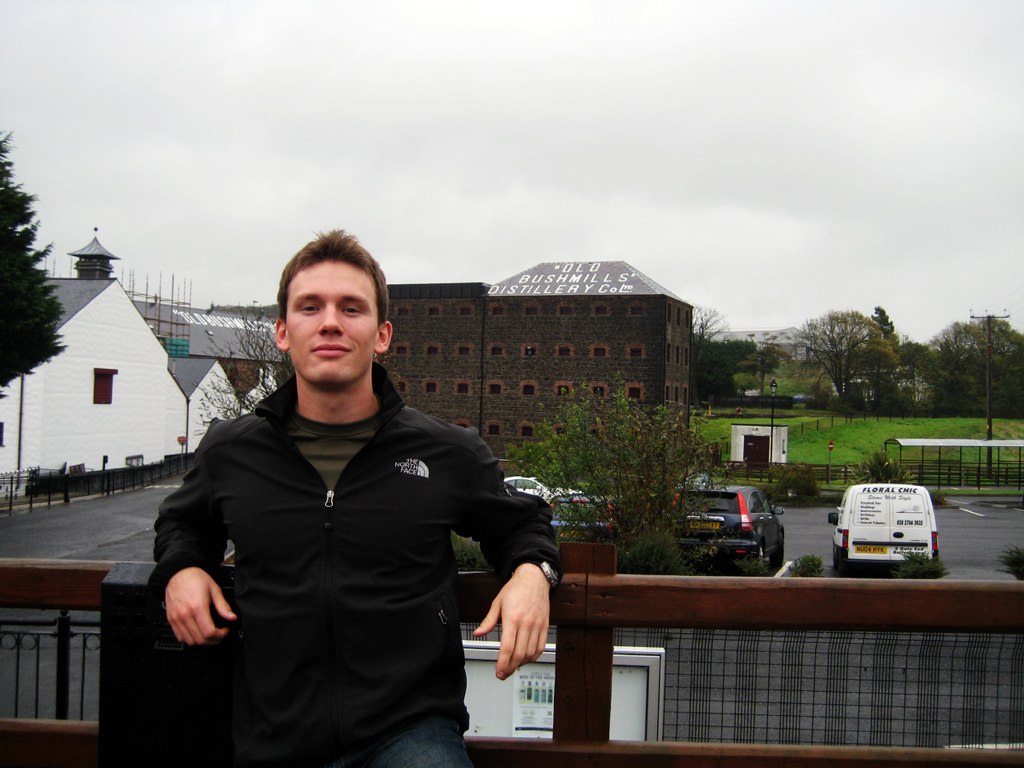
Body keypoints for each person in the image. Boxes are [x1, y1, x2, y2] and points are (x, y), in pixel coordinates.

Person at [151, 230, 561, 768]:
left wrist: (534, 574)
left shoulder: (445, 451)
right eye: (309, 307)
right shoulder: (232, 449)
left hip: (409, 734)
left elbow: (523, 524)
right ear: (281, 331)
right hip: (274, 735)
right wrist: (182, 569)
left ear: (382, 334)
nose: (330, 322)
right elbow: (181, 525)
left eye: (351, 308)